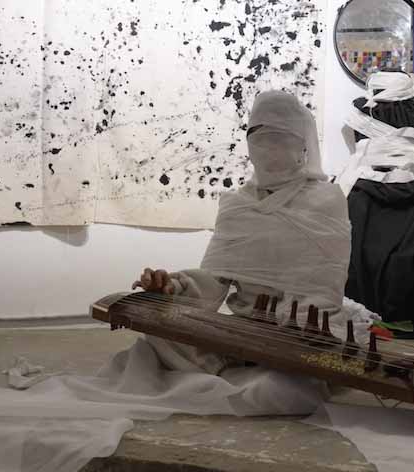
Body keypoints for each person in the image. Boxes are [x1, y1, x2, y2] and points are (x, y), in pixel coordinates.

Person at [132, 90, 374, 375]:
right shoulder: (237, 205)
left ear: (302, 144)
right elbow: (213, 282)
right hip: (248, 326)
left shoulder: (327, 200)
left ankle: (246, 366)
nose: (269, 149)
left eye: (279, 139)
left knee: (295, 372)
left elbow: (323, 291)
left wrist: (292, 326)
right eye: (259, 139)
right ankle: (244, 363)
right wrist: (172, 287)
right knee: (160, 326)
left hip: (305, 328)